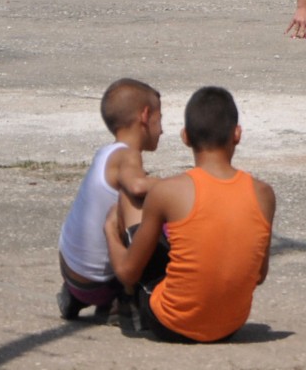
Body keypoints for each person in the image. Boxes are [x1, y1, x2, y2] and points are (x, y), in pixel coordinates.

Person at [114, 86, 276, 343]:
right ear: (237, 134)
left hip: (171, 322)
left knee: (128, 199)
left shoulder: (168, 191)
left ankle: (129, 309)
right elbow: (259, 275)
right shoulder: (264, 194)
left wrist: (109, 233)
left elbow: (128, 272)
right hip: (231, 324)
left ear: (185, 137)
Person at [57, 79, 160, 322]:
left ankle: (75, 298)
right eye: (160, 118)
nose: (162, 129)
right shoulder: (128, 155)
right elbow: (136, 185)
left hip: (69, 268)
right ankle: (126, 299)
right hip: (100, 284)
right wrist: (176, 185)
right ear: (145, 116)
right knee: (139, 203)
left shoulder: (105, 153)